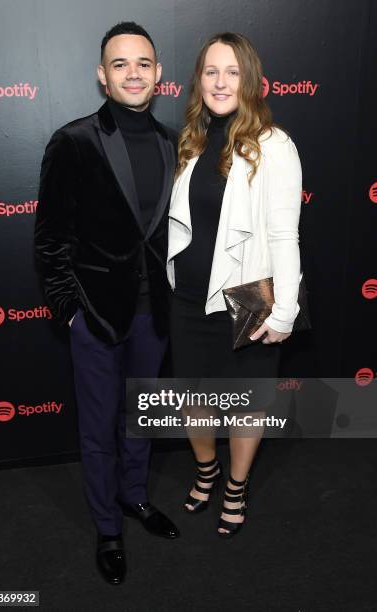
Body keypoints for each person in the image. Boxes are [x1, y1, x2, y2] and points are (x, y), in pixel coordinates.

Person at [34, 21, 179, 585]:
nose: (133, 73)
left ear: (159, 73)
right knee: (98, 429)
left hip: (155, 315)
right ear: (103, 76)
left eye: (143, 62)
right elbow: (49, 240)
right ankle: (107, 528)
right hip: (95, 315)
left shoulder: (172, 143)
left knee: (140, 417)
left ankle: (134, 498)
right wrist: (70, 309)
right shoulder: (73, 142)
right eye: (120, 64)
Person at [167, 32, 302, 538]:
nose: (220, 81)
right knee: (192, 397)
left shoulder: (274, 145)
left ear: (250, 80)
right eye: (210, 71)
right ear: (198, 80)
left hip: (247, 298)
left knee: (248, 401)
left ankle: (237, 485)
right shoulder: (192, 141)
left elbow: (285, 234)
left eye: (232, 72)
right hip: (187, 295)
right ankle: (206, 471)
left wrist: (284, 310)